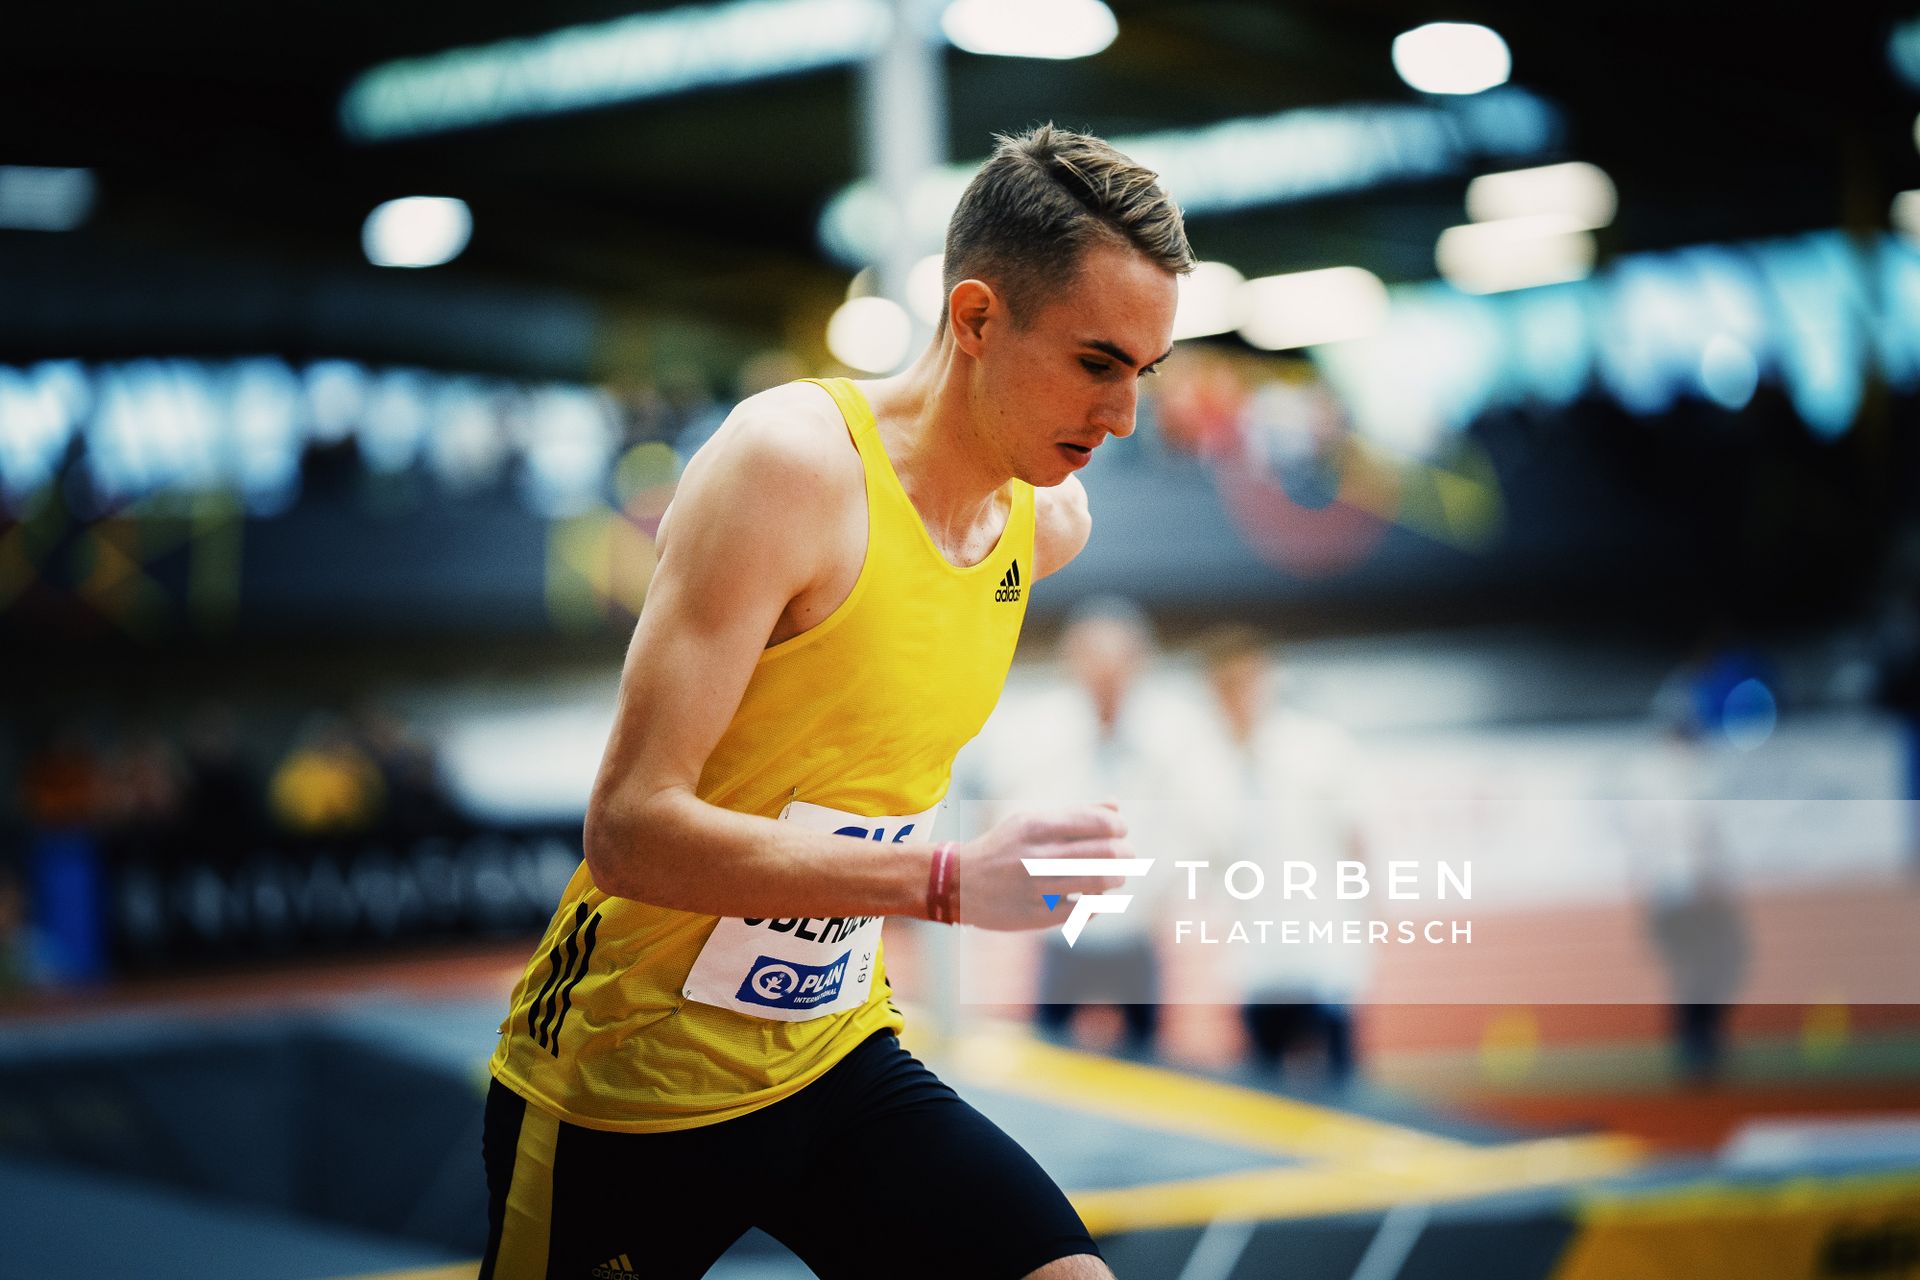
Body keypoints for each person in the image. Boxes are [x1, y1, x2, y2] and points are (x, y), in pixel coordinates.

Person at [481, 125, 1190, 1280]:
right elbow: (627, 829)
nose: (1122, 420)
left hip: (829, 1052)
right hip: (621, 1081)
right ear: (974, 319)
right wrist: (947, 880)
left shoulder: (1047, 522)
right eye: (1097, 363)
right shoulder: (790, 467)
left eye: (1144, 377)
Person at [1199, 626, 1371, 1088]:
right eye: (1226, 686)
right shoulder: (1205, 768)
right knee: (1264, 1091)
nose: (1239, 697)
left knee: (1340, 1089)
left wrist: (1360, 922)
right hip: (1256, 961)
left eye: (1247, 682)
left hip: (1321, 951)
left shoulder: (1318, 748)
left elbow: (1356, 838)